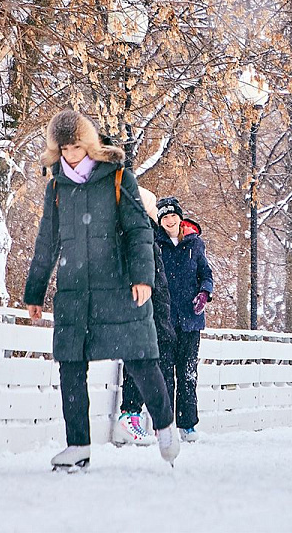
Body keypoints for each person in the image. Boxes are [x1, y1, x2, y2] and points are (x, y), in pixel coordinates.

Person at [24, 109, 178, 470]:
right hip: (75, 292)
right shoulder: (57, 186)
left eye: (77, 146)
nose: (72, 155)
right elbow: (46, 241)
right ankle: (78, 445)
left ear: (89, 144)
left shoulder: (117, 176)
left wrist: (143, 278)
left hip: (120, 285)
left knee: (141, 359)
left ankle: (165, 425)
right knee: (70, 367)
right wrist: (35, 292)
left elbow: (140, 230)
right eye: (64, 149)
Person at [147, 196, 213, 441]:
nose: (170, 220)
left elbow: (206, 274)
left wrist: (204, 294)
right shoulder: (155, 245)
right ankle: (164, 425)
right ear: (160, 221)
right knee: (164, 374)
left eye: (173, 215)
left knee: (187, 374)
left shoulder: (195, 245)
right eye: (165, 217)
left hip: (190, 320)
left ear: (180, 217)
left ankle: (187, 425)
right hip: (163, 320)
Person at [116, 187, 178, 445]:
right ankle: (130, 416)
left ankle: (147, 419)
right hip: (144, 311)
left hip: (155, 312)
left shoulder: (149, 236)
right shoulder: (138, 234)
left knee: (153, 363)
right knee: (140, 361)